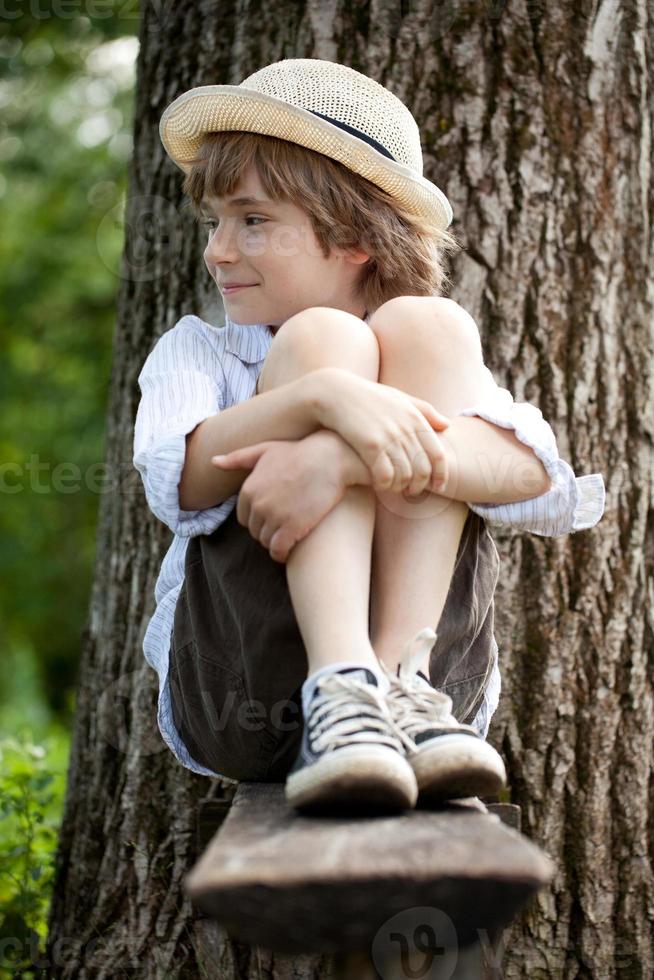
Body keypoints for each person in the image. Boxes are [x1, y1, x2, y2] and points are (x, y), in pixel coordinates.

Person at [134, 58, 606, 815]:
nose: (218, 249)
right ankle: (340, 688)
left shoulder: (430, 354)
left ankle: (393, 682)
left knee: (432, 321)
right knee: (323, 342)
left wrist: (338, 457)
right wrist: (324, 396)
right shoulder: (205, 350)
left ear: (353, 235)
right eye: (215, 222)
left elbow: (540, 485)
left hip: (424, 716)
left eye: (252, 220)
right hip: (250, 691)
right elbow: (177, 481)